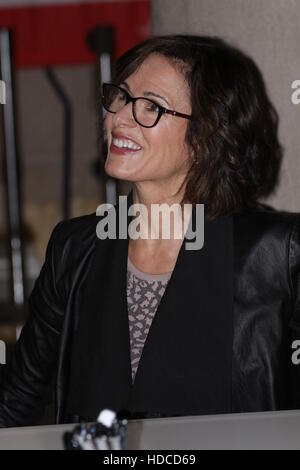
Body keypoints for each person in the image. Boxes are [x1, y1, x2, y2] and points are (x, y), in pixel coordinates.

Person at [0, 34, 299, 427]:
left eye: (151, 107)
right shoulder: (76, 247)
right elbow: (17, 399)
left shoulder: (279, 253)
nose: (120, 117)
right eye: (121, 97)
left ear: (207, 138)